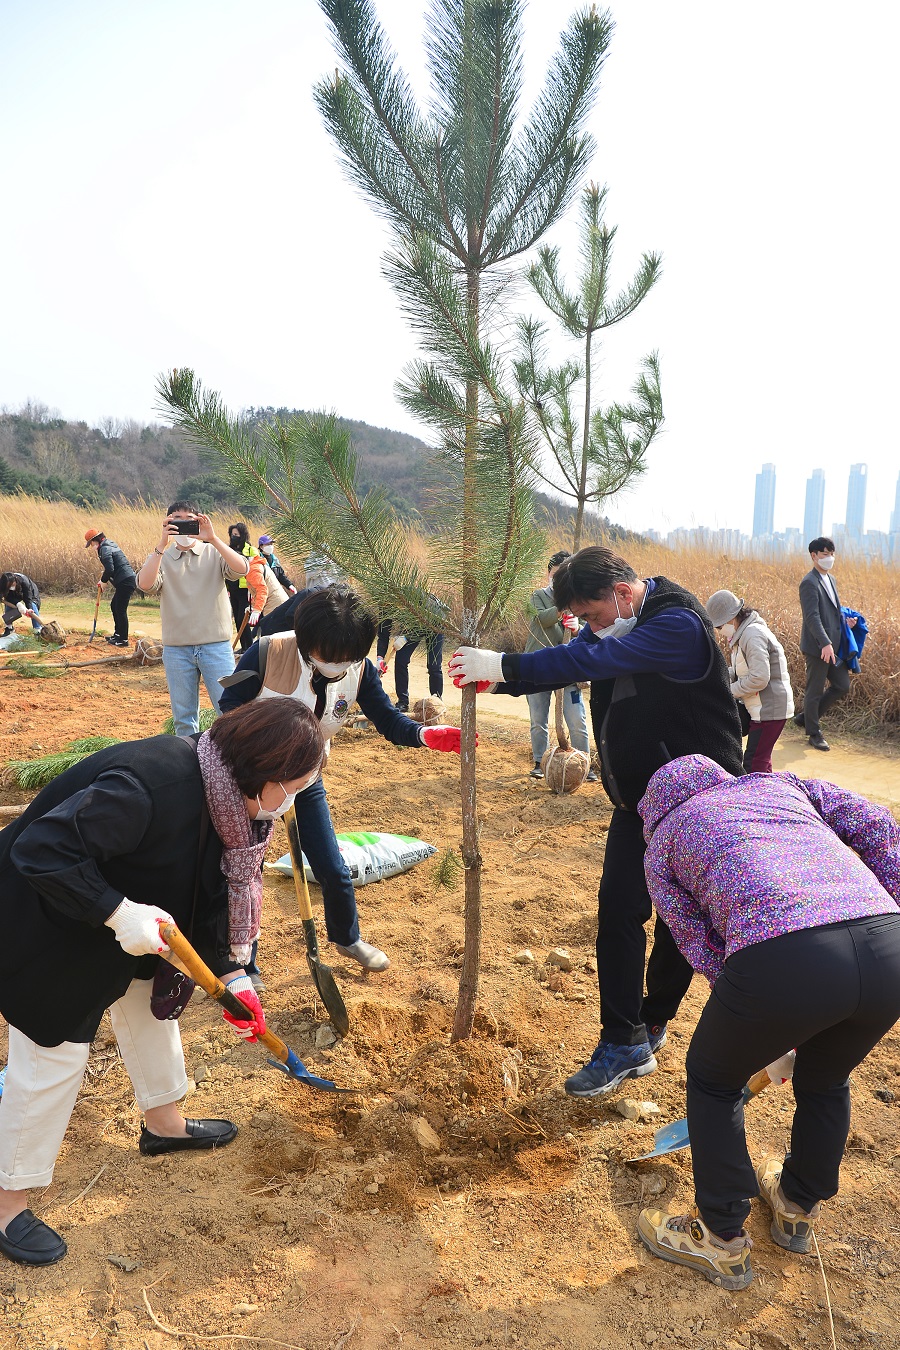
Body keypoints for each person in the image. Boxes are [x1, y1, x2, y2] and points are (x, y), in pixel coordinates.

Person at [0, 697, 326, 1267]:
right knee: (53, 1056)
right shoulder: (152, 786)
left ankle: (165, 1124)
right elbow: (42, 849)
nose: (295, 799)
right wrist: (119, 912)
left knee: (148, 1006)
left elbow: (208, 889)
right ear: (266, 776)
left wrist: (233, 973)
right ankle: (6, 1201)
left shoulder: (229, 806)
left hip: (120, 923)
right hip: (46, 917)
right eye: (295, 785)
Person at [448, 545, 744, 1097]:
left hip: (701, 805)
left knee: (682, 921)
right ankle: (622, 1040)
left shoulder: (676, 624)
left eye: (590, 615)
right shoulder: (616, 623)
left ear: (622, 595)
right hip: (638, 804)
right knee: (618, 910)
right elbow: (576, 655)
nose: (588, 627)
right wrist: (502, 680)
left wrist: (504, 663)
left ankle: (652, 1020)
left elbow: (588, 662)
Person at [635, 754, 900, 1290]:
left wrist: (762, 1010)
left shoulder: (664, 841)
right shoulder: (781, 787)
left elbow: (694, 940)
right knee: (826, 1077)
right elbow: (880, 827)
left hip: (784, 959)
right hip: (888, 946)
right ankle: (797, 1203)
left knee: (713, 1078)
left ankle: (721, 1236)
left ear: (652, 811)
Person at [220, 584, 465, 972]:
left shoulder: (359, 669)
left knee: (333, 867)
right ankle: (242, 961)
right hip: (251, 780)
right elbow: (229, 707)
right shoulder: (268, 652)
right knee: (245, 872)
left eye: (348, 658)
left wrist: (422, 734)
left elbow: (386, 718)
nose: (338, 666)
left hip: (306, 778)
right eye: (327, 657)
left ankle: (347, 937)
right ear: (306, 640)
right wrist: (261, 761)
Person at [135, 502, 250, 735]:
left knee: (230, 713)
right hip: (177, 650)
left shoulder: (213, 552)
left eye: (189, 519)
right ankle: (189, 766)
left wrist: (213, 538)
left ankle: (234, 764)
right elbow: (145, 584)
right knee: (184, 719)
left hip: (215, 646)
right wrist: (161, 544)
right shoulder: (162, 557)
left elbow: (242, 569)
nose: (183, 525)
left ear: (199, 522)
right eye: (176, 520)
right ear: (167, 523)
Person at [522, 549, 595, 781]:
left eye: (563, 575)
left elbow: (590, 632)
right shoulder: (537, 596)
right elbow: (541, 619)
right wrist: (563, 607)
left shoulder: (580, 602)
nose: (558, 580)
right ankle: (539, 762)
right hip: (538, 667)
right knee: (538, 719)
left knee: (576, 719)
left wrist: (576, 628)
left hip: (568, 668)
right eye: (555, 575)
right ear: (548, 574)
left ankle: (584, 764)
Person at [705, 589, 794, 773]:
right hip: (763, 708)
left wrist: (728, 691)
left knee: (754, 764)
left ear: (730, 618)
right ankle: (771, 796)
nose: (720, 631)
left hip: (770, 709)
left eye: (719, 627)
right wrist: (717, 677)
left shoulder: (752, 635)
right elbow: (740, 671)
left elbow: (759, 678)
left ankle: (761, 799)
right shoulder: (743, 634)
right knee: (761, 761)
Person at [797, 536, 857, 752]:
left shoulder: (830, 579)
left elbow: (831, 612)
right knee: (814, 690)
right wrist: (824, 643)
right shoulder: (809, 582)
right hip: (818, 647)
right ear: (813, 556)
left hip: (833, 645)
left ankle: (806, 717)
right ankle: (813, 733)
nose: (829, 558)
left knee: (842, 685)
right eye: (824, 554)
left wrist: (846, 623)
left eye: (831, 554)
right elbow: (812, 617)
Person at [375, 596, 448, 713]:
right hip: (412, 626)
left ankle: (437, 703)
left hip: (435, 621)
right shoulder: (385, 603)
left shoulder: (409, 595)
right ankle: (403, 702)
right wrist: (380, 658)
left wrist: (406, 637)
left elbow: (425, 620)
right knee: (401, 660)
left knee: (434, 666)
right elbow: (383, 635)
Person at [84, 527, 137, 648]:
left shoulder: (105, 548)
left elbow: (110, 569)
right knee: (114, 606)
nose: (91, 546)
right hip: (124, 580)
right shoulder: (108, 544)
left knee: (120, 609)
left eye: (91, 543)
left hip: (126, 581)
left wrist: (103, 581)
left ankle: (123, 640)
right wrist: (104, 580)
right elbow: (110, 568)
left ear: (95, 540)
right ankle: (117, 634)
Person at [225, 523, 259, 651]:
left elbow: (257, 565)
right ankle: (244, 646)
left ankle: (249, 647)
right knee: (238, 621)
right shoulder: (228, 549)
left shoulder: (250, 549)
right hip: (232, 589)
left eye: (236, 535)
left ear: (242, 535)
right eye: (232, 535)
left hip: (246, 590)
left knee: (242, 618)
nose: (234, 537)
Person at [0, 572, 42, 636]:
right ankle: (9, 628)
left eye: (11, 585)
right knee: (8, 606)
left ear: (15, 581)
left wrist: (29, 609)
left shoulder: (24, 582)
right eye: (8, 586)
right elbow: (8, 598)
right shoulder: (3, 584)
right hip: (14, 595)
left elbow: (28, 598)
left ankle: (37, 630)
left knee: (33, 605)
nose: (10, 587)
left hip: (31, 591)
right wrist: (18, 604)